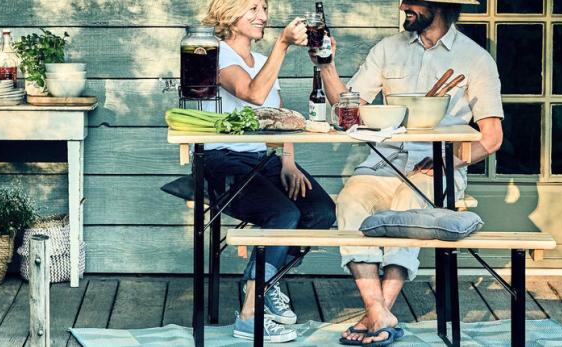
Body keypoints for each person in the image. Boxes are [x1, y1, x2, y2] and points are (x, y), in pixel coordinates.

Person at [313, 0, 504, 345]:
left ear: (440, 6)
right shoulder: (387, 50)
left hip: (436, 167)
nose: (403, 6)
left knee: (407, 206)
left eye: (412, 0)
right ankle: (380, 312)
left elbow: (491, 139)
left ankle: (376, 312)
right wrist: (327, 67)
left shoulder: (475, 59)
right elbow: (350, 108)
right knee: (350, 201)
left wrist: (450, 163)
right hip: (381, 162)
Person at [202, 0, 336, 343]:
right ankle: (249, 313)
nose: (263, 16)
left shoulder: (261, 62)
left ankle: (266, 281)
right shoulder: (213, 56)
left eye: (264, 8)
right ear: (229, 13)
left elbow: (279, 119)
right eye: (253, 8)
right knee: (283, 214)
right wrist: (283, 43)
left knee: (321, 210)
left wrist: (288, 160)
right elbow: (253, 93)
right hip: (222, 161)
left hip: (264, 160)